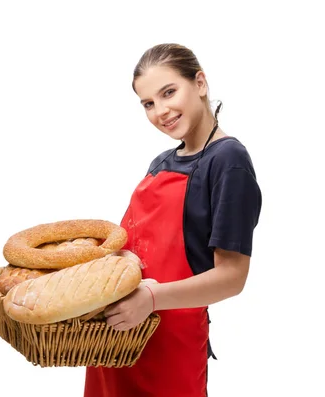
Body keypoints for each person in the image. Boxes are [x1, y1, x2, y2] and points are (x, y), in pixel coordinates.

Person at [84, 43, 262, 397]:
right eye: (148, 103)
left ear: (199, 83)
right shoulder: (160, 163)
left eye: (169, 92)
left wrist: (150, 300)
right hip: (114, 340)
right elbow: (126, 246)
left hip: (169, 346)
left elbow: (231, 277)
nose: (161, 111)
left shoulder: (228, 161)